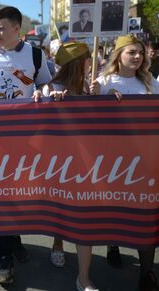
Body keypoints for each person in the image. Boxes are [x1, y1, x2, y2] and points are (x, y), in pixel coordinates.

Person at [0, 6, 52, 285]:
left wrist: (42, 91)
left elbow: (42, 85)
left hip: (26, 138)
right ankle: (5, 257)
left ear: (18, 29)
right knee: (2, 195)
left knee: (19, 193)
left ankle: (13, 240)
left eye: (2, 28)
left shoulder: (35, 55)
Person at [93, 34, 159, 291]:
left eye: (140, 53)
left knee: (146, 213)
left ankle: (147, 272)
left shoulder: (149, 82)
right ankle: (113, 244)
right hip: (113, 160)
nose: (137, 56)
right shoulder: (104, 81)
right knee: (115, 207)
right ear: (118, 55)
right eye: (131, 52)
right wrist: (100, 95)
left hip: (144, 158)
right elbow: (88, 111)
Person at [42, 42, 98, 291]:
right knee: (61, 204)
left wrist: (101, 98)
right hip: (58, 163)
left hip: (85, 160)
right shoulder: (50, 88)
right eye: (87, 59)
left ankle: (83, 277)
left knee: (83, 212)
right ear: (78, 63)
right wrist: (52, 102)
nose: (90, 64)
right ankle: (58, 243)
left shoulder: (89, 87)